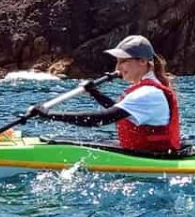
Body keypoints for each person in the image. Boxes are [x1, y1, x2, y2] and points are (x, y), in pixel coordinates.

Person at [31, 35, 182, 152]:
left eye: (123, 61)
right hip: (147, 152)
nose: (118, 67)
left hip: (151, 157)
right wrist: (95, 93)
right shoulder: (148, 89)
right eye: (117, 62)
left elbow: (101, 119)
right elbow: (120, 113)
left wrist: (49, 115)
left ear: (142, 61)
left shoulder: (147, 93)